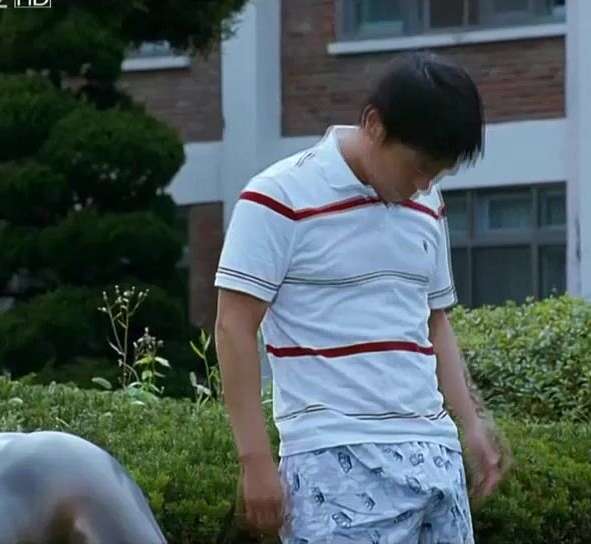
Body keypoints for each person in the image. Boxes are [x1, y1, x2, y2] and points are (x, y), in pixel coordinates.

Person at [213, 50, 512, 543]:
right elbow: (233, 327)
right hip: (335, 464)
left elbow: (433, 322)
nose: (424, 184)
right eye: (418, 167)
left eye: (438, 174)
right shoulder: (276, 198)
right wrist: (255, 460)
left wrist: (470, 422)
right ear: (374, 124)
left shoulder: (426, 203)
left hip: (435, 458)